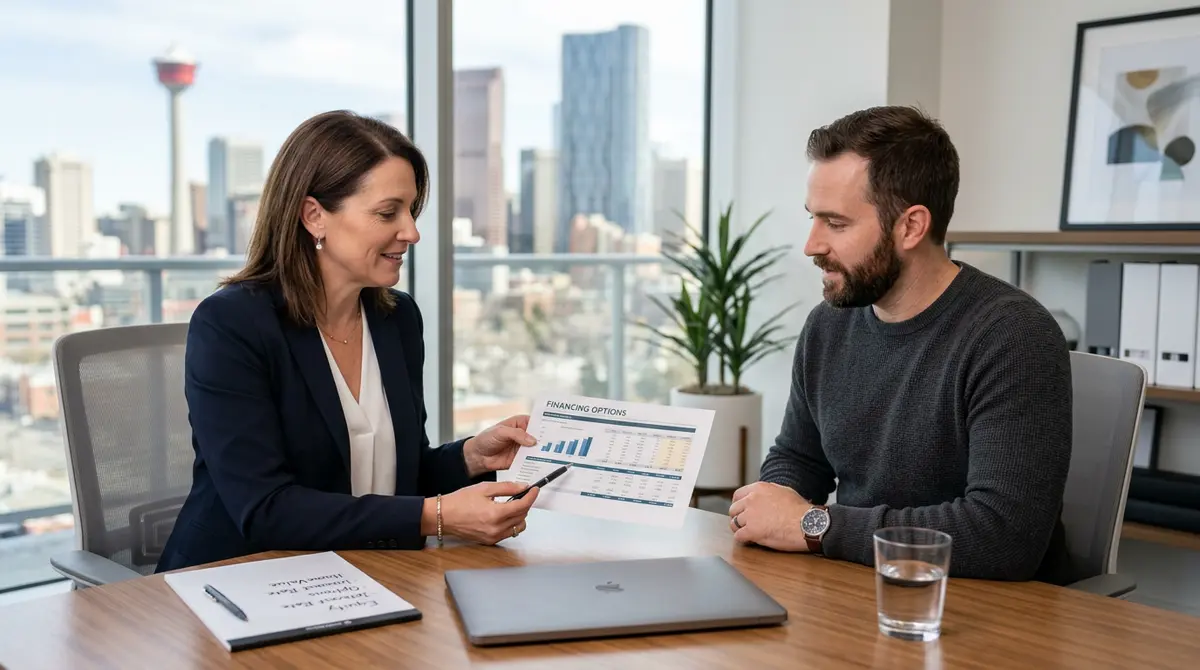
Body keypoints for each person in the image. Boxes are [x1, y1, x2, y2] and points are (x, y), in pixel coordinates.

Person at [157, 111, 540, 572]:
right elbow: (264, 509)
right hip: (239, 580)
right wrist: (436, 517)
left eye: (411, 211)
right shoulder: (231, 324)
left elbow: (395, 475)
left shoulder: (396, 319)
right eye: (387, 213)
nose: (412, 232)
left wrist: (471, 457)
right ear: (314, 216)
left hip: (363, 574)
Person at [726, 106, 1075, 584]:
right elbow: (800, 459)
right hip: (860, 584)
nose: (811, 245)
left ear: (911, 226)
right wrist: (771, 504)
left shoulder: (1012, 335)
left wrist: (812, 524)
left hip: (986, 611)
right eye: (812, 218)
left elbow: (1003, 535)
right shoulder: (829, 325)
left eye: (836, 223)